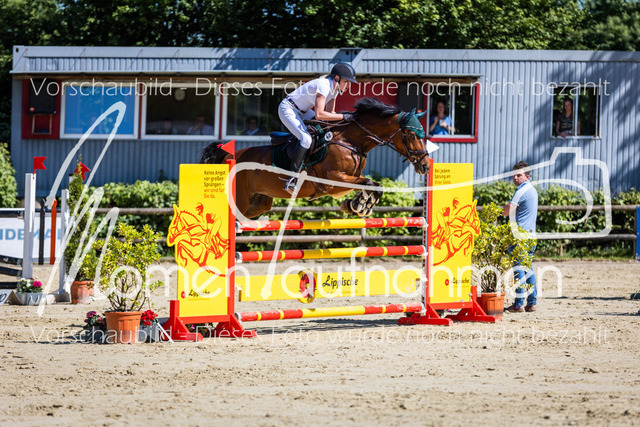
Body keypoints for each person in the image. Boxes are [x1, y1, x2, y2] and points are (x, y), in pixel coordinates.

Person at [278, 62, 357, 193]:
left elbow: (330, 115)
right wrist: (344, 117)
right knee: (306, 139)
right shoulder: (324, 85)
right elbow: (319, 115)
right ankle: (291, 178)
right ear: (337, 78)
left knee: (323, 131)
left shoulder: (335, 89)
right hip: (288, 108)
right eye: (346, 82)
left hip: (303, 111)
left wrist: (346, 119)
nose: (348, 85)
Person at [503, 161, 538, 313]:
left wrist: (500, 211)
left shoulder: (521, 191)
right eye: (514, 175)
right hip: (531, 236)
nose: (515, 178)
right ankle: (532, 303)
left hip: (519, 237)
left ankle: (518, 304)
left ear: (526, 177)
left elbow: (508, 210)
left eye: (519, 175)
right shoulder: (533, 190)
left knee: (519, 270)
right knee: (528, 269)